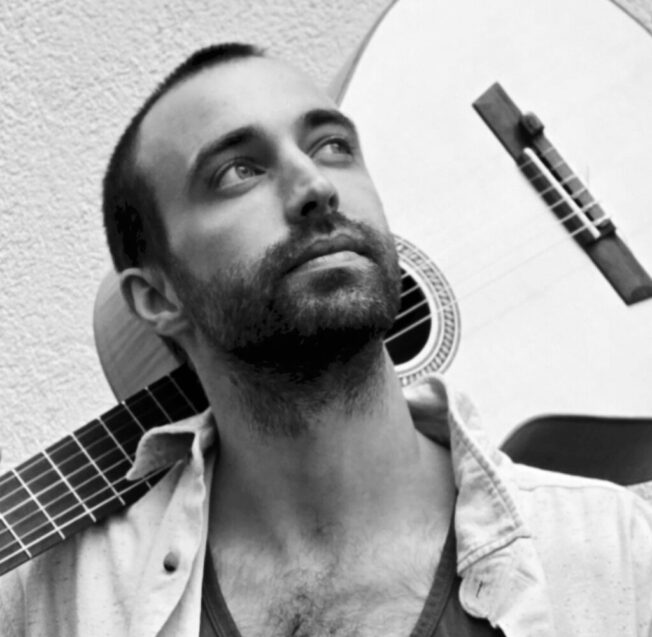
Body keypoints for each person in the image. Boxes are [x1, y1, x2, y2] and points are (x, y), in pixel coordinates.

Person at [1, 42, 652, 637]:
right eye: (238, 171)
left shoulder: (620, 552)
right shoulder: (54, 604)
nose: (315, 186)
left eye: (333, 145)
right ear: (159, 297)